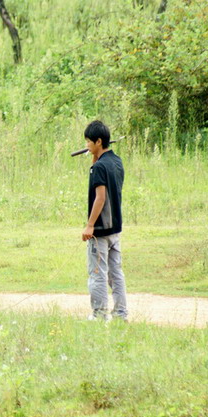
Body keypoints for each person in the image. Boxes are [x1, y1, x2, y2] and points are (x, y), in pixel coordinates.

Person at [81, 120, 127, 321]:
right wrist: (94, 159)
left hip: (100, 230)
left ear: (99, 141)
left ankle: (99, 315)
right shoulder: (116, 161)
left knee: (97, 273)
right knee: (116, 273)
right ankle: (120, 314)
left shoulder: (99, 167)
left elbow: (100, 197)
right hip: (115, 229)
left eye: (89, 142)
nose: (86, 146)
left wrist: (90, 225)